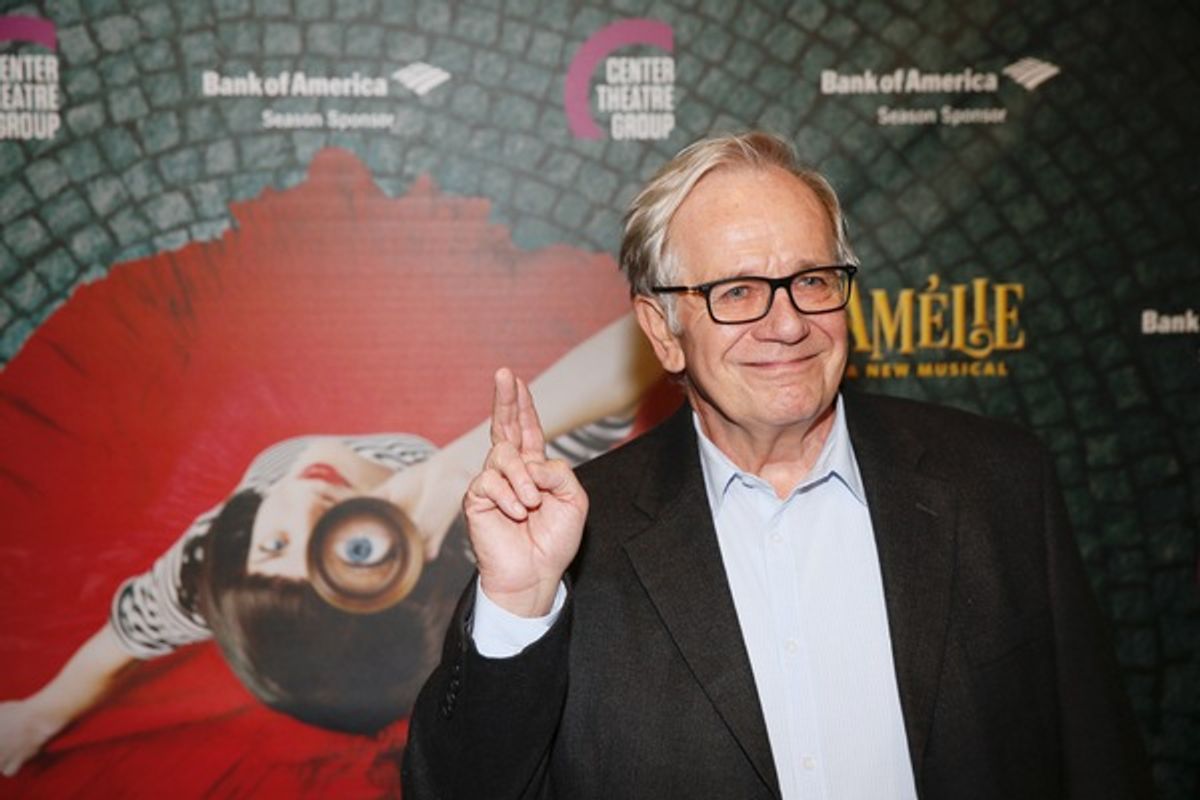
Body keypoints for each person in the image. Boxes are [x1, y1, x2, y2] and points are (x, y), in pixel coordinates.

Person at [401, 132, 1153, 799]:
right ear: (663, 331)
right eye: (737, 292)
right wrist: (517, 607)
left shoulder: (997, 483)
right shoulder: (570, 542)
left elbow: (1096, 761)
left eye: (814, 280)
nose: (789, 322)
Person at [0, 313, 661, 778]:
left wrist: (36, 715)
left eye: (277, 541)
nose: (309, 507)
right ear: (404, 572)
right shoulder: (491, 528)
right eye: (347, 557)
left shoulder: (212, 560)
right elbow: (651, 338)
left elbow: (124, 638)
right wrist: (458, 468)